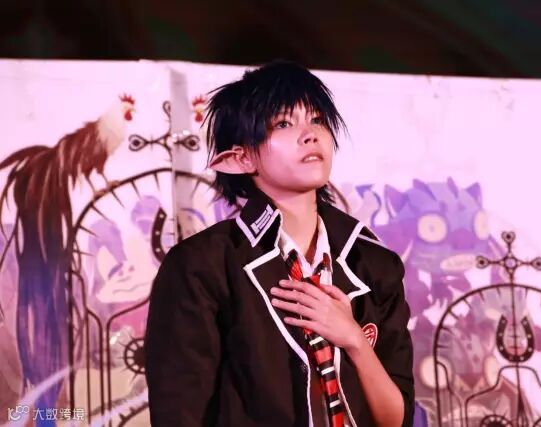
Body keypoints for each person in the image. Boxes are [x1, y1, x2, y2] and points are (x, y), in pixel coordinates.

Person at [144, 60, 414, 427]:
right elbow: (180, 414)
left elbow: (396, 419)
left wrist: (354, 339)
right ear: (240, 158)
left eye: (317, 119)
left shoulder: (374, 263)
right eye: (284, 124)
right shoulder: (202, 266)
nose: (310, 134)